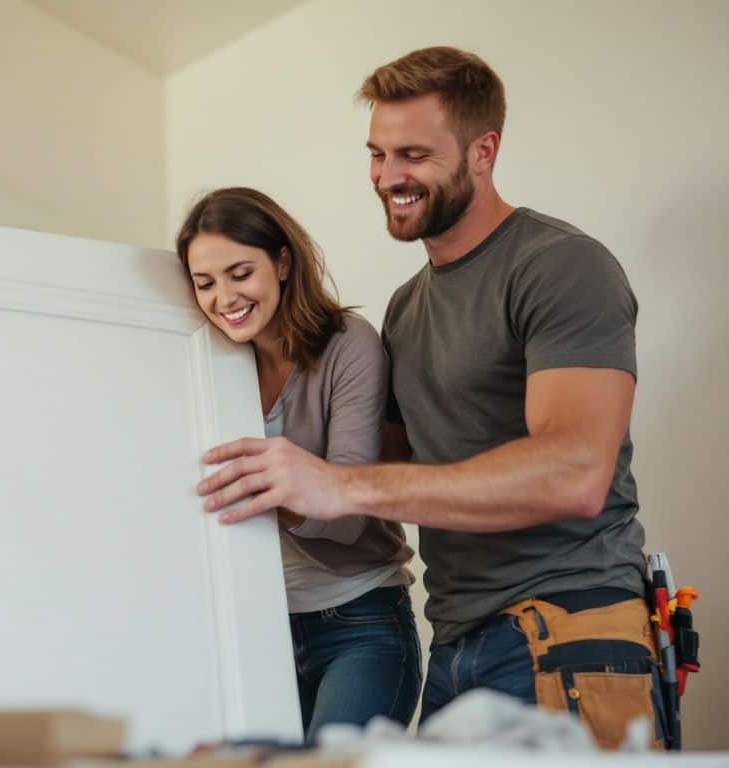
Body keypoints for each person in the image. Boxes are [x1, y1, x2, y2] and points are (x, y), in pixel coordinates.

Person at [194, 48, 661, 749]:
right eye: (377, 154)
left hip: (568, 625)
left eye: (412, 153)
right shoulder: (408, 309)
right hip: (455, 637)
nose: (387, 177)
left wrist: (339, 485)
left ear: (483, 151)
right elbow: (378, 480)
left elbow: (576, 474)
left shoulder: (559, 266)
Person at [175, 187, 420, 741]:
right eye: (205, 282)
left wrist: (258, 490)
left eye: (241, 273)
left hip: (358, 622)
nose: (224, 298)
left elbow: (348, 514)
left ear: (282, 263)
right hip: (257, 626)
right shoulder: (209, 363)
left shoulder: (347, 346)